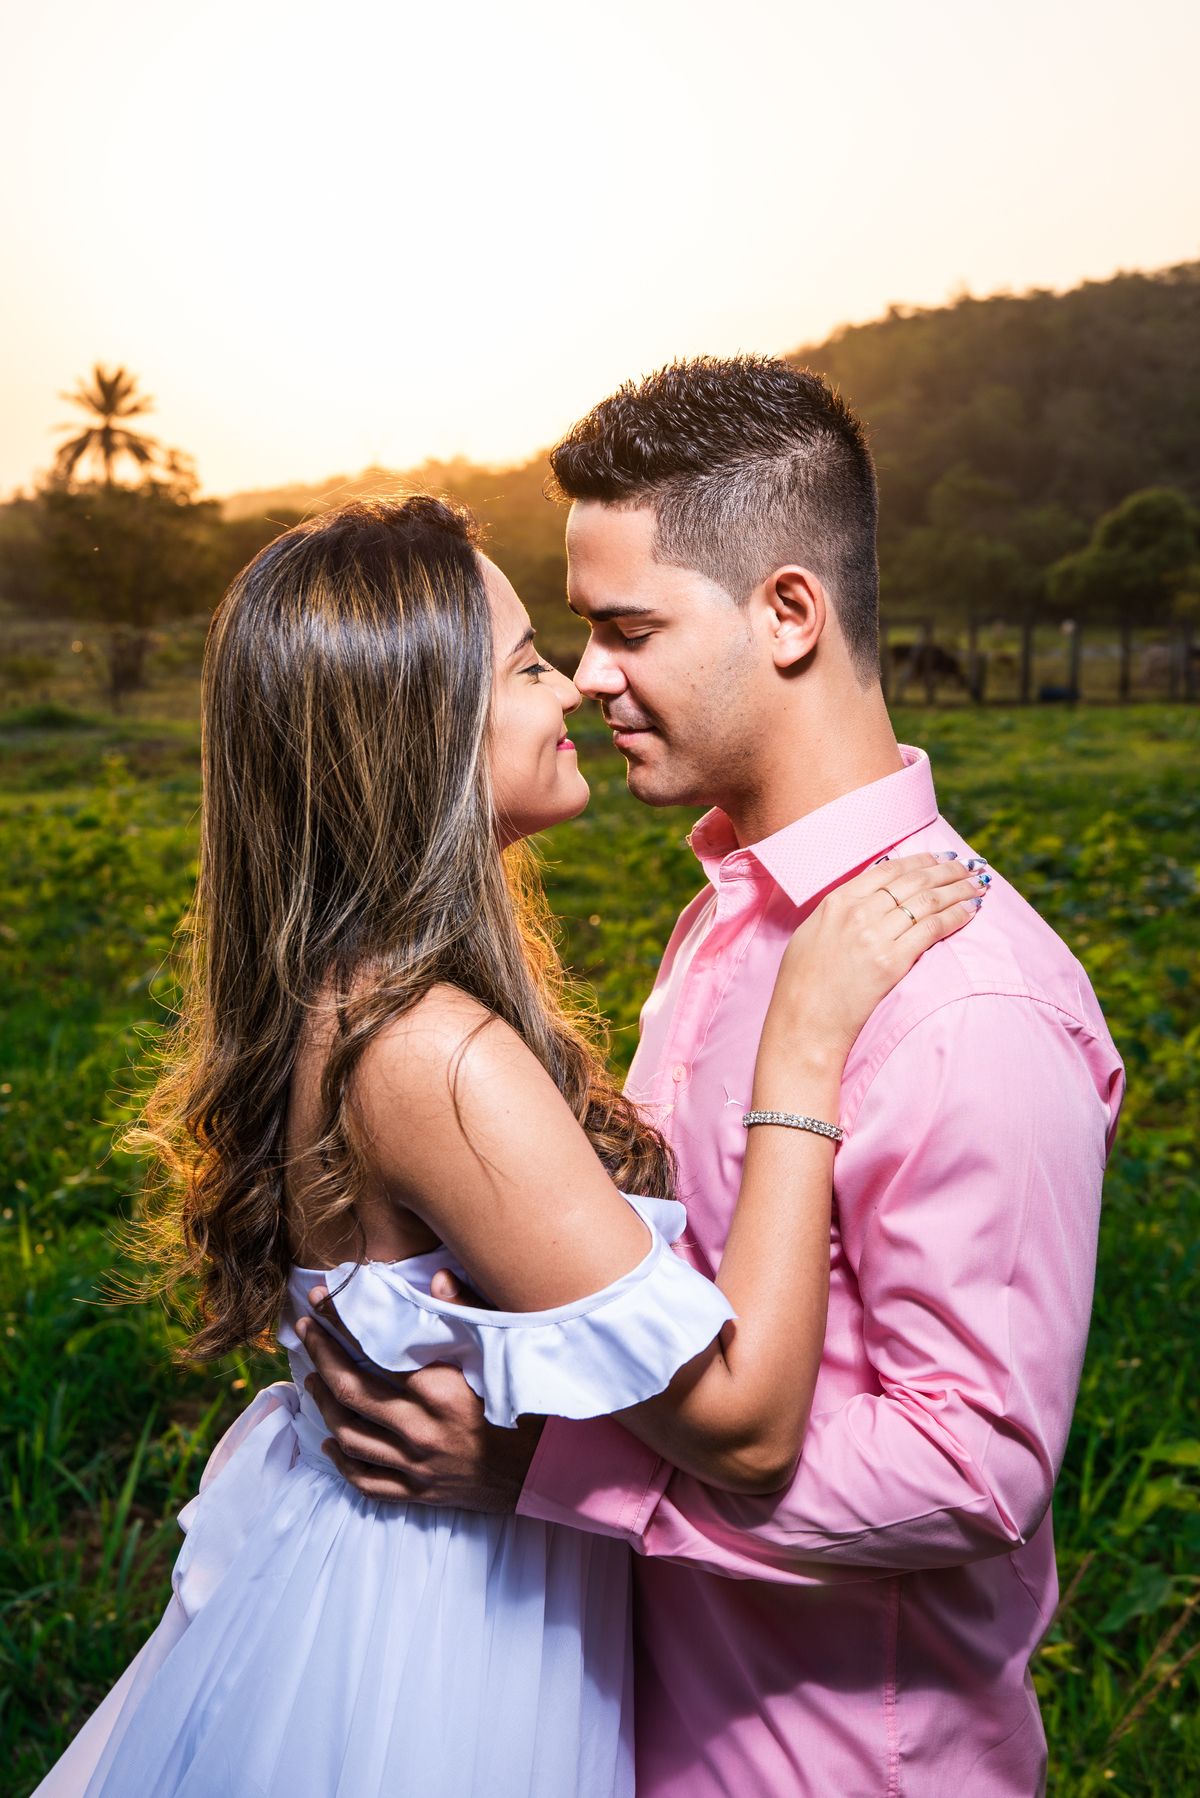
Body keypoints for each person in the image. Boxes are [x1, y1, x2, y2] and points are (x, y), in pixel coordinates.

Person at [33, 494, 984, 1798]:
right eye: (531, 663)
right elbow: (748, 1426)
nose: (578, 690)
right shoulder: (435, 1054)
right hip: (435, 1650)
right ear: (424, 735)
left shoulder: (354, 997)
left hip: (385, 1582)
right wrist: (802, 1046)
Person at [301, 360, 1125, 1798]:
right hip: (635, 1731)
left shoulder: (966, 996)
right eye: (577, 634)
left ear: (789, 614)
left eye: (630, 630)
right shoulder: (729, 917)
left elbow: (972, 1467)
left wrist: (540, 1470)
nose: (591, 676)